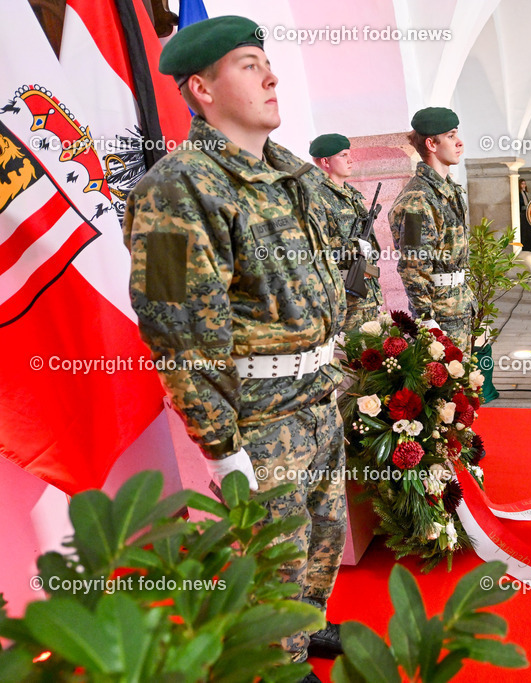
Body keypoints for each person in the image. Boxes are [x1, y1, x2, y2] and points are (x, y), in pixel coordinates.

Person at [123, 16, 346, 677]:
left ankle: (305, 631)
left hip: (317, 398)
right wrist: (223, 446)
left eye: (267, 61)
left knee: (322, 541)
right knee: (274, 561)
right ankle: (279, 665)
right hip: (260, 415)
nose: (271, 75)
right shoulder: (174, 188)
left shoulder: (293, 174)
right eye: (250, 65)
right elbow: (172, 325)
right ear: (203, 89)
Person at [389, 107, 476, 351]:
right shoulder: (418, 200)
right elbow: (414, 266)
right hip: (439, 314)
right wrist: (426, 318)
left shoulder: (447, 189)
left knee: (463, 382)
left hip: (457, 304)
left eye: (456, 134)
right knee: (444, 386)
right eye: (450, 136)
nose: (459, 143)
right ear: (431, 144)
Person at [310, 133, 383, 331]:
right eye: (343, 155)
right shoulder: (316, 197)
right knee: (350, 357)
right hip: (344, 296)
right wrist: (354, 247)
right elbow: (315, 246)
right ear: (325, 161)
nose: (351, 160)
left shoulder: (351, 195)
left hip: (367, 294)